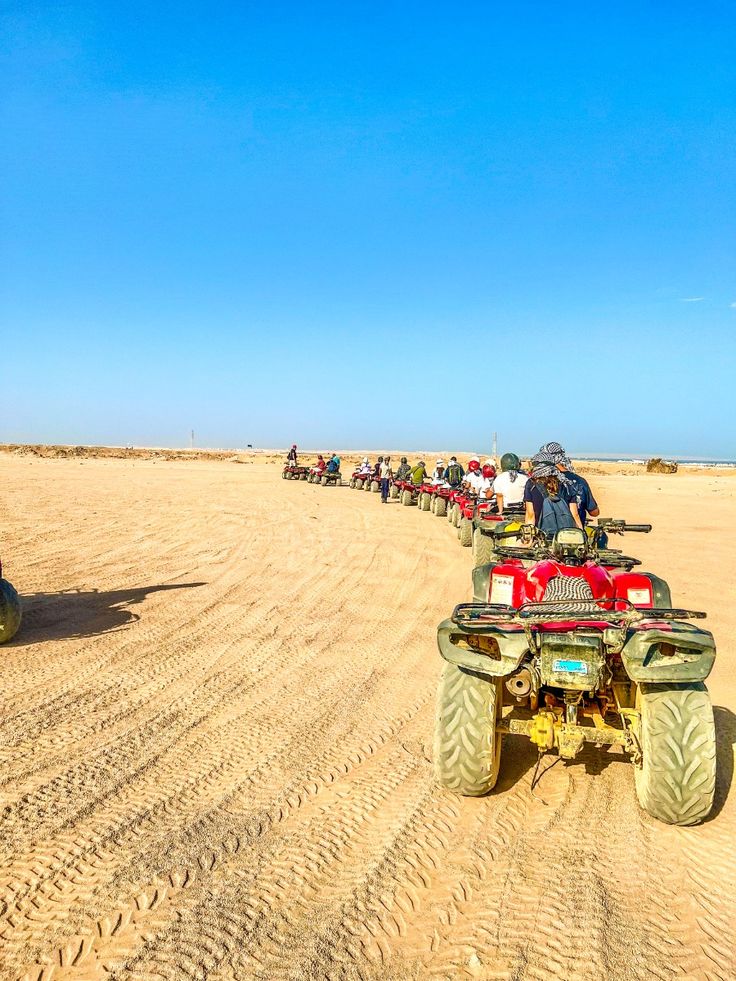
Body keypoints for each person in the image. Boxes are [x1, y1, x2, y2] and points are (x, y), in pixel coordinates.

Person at [540, 442, 600, 526]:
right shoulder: (579, 481)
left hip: (545, 530)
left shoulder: (538, 481)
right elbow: (594, 512)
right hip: (574, 530)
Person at [524, 458, 582, 534]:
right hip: (566, 534)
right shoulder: (566, 483)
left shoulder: (531, 484)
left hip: (542, 534)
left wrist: (528, 536)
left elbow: (530, 515)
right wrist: (580, 533)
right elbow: (575, 515)